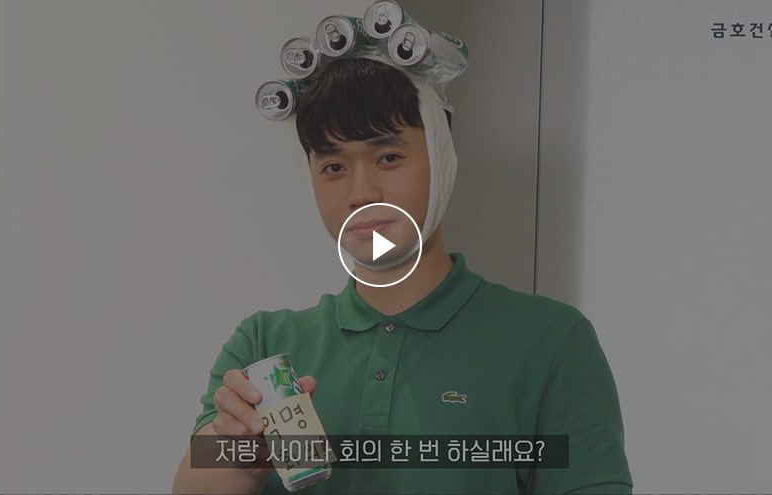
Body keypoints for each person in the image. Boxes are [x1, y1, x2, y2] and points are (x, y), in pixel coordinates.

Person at [173, 55, 632, 494]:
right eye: (334, 167)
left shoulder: (550, 342)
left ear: (441, 157)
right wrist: (239, 455)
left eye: (388, 157)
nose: (361, 193)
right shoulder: (263, 346)